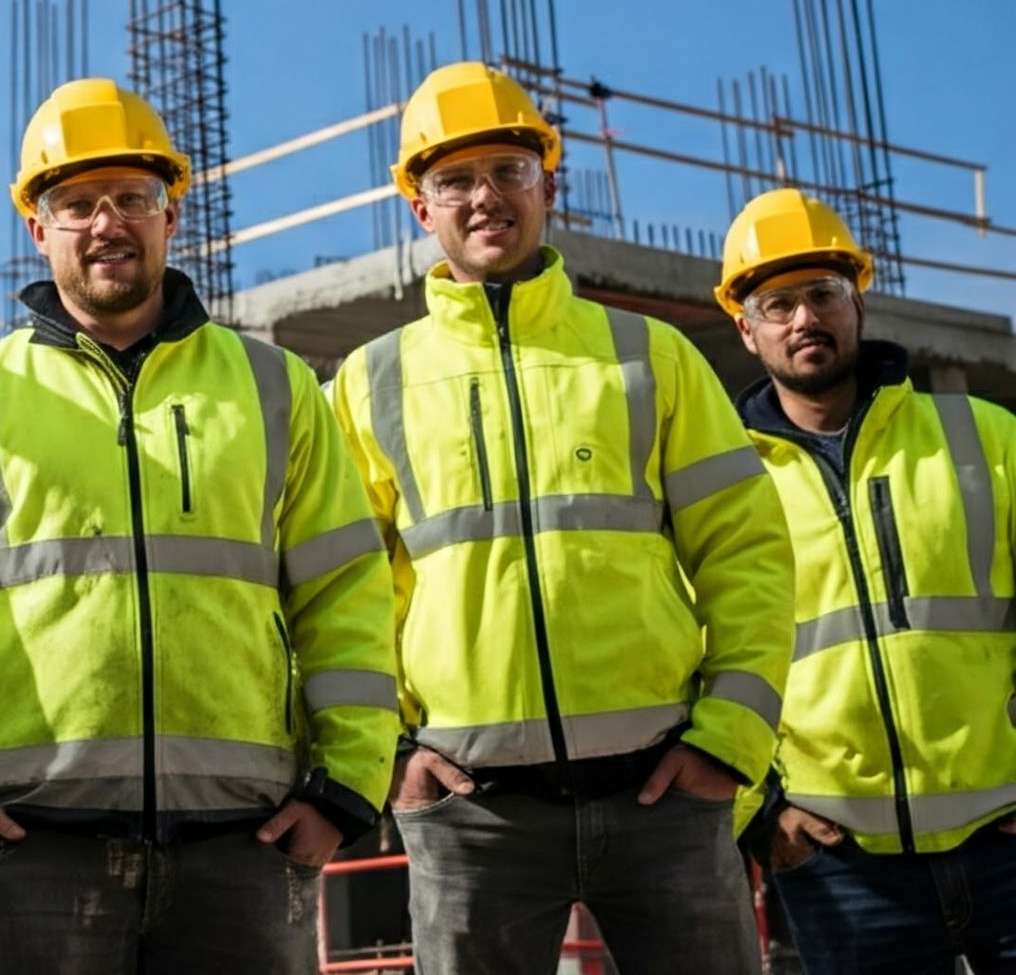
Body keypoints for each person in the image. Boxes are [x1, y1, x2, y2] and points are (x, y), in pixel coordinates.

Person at [0, 77, 397, 974]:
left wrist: (344, 788)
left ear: (169, 215)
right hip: (32, 840)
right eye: (75, 203)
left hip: (246, 841)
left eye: (132, 199)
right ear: (38, 228)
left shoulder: (272, 386)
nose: (107, 222)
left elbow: (345, 591)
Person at [329, 61, 794, 975]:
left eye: (509, 171)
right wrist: (388, 758)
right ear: (419, 209)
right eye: (454, 180)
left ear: (550, 183)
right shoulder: (368, 381)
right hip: (471, 815)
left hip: (665, 796)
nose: (484, 198)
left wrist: (727, 743)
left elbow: (748, 552)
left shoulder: (647, 355)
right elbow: (337, 595)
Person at [725, 186, 1016, 973]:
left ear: (859, 302)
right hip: (839, 863)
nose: (803, 320)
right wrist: (761, 820)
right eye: (777, 303)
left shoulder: (984, 437)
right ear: (746, 330)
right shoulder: (725, 485)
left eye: (823, 294)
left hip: (1008, 838)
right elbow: (697, 663)